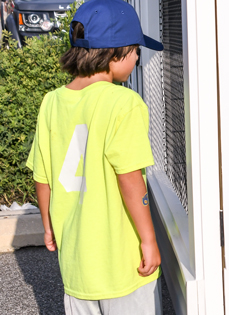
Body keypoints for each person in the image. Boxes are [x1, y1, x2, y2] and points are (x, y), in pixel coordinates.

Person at [26, 0, 164, 313]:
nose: (138, 57)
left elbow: (42, 177)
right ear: (116, 52)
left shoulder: (52, 102)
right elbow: (129, 177)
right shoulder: (124, 102)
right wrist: (148, 240)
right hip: (122, 262)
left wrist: (48, 226)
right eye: (135, 50)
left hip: (77, 264)